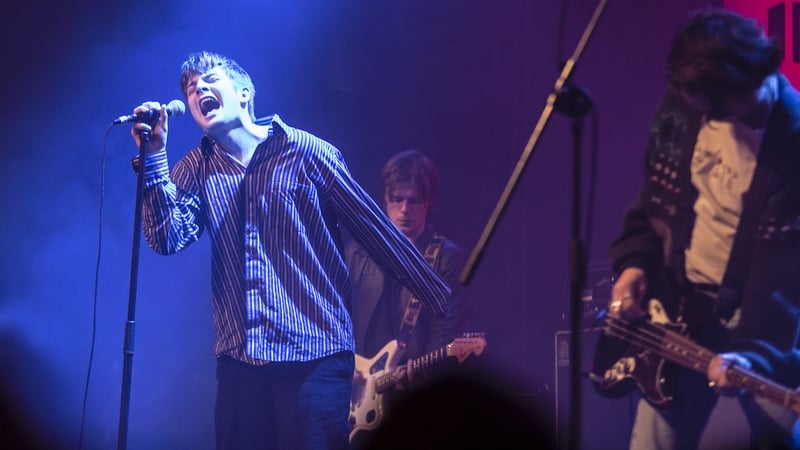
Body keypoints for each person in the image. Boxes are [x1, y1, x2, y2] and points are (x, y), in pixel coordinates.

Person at [127, 51, 451, 450]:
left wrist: (442, 300)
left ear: (245, 92)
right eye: (190, 90)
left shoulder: (307, 152)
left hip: (313, 357)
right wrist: (156, 156)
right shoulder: (195, 168)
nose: (198, 91)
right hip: (240, 362)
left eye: (209, 79)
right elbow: (165, 238)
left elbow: (376, 232)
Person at [607, 8, 800, 449]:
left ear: (749, 78)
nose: (712, 121)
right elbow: (655, 199)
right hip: (680, 310)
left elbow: (784, 274)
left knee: (778, 435)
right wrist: (635, 263)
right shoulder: (686, 105)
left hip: (762, 325)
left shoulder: (793, 141)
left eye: (723, 109)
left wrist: (750, 354)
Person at [344, 150, 471, 446]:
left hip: (415, 406)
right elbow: (335, 317)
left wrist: (424, 372)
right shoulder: (357, 251)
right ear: (384, 201)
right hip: (359, 395)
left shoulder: (445, 258)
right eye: (396, 199)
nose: (404, 209)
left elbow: (447, 332)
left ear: (428, 202)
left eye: (413, 200)